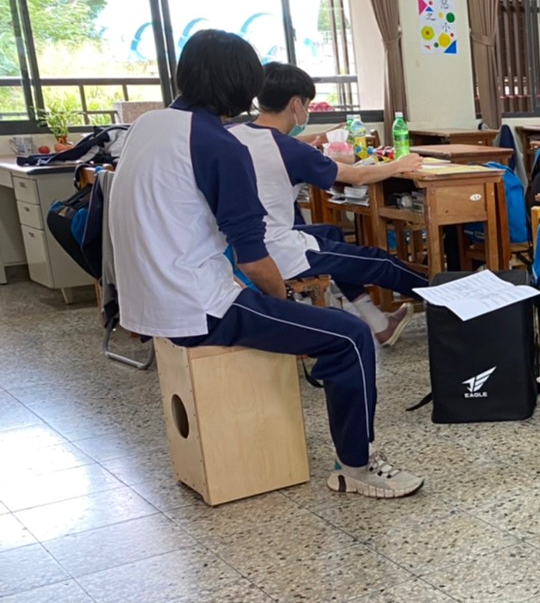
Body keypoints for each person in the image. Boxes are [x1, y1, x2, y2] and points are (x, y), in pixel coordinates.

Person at [109, 30, 423, 498]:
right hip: (197, 305)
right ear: (241, 87)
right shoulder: (219, 145)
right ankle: (356, 468)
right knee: (349, 337)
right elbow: (254, 259)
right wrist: (282, 300)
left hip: (145, 299)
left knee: (325, 268)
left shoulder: (149, 125)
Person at [230, 62, 426, 346]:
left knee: (331, 233)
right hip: (277, 250)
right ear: (296, 104)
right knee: (378, 262)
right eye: (307, 104)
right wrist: (400, 164)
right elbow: (356, 176)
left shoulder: (235, 134)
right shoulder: (291, 150)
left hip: (238, 245)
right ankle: (446, 297)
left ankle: (378, 322)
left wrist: (318, 141)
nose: (306, 111)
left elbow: (279, 145)